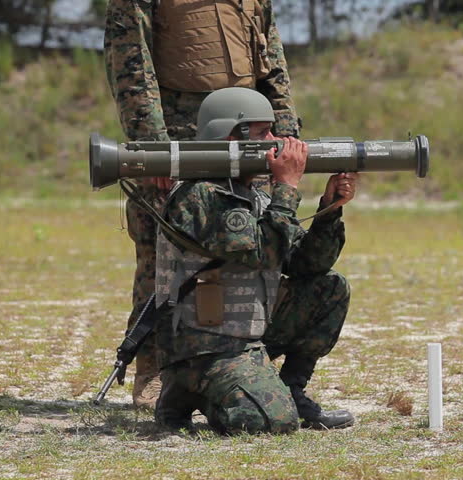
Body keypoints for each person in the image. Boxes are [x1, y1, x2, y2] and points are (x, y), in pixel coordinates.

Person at [103, 0, 300, 408]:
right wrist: (155, 146)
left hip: (249, 128)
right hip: (180, 129)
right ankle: (157, 368)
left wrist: (284, 131)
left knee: (256, 244)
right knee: (162, 251)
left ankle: (248, 364)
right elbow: (130, 57)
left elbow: (271, 57)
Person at [153, 87, 357, 433]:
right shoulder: (199, 195)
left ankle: (289, 390)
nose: (276, 141)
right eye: (264, 133)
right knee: (271, 422)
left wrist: (328, 210)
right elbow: (260, 253)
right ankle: (193, 389)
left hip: (243, 334)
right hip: (206, 345)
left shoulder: (250, 195)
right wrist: (287, 189)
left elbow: (306, 266)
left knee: (329, 288)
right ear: (232, 138)